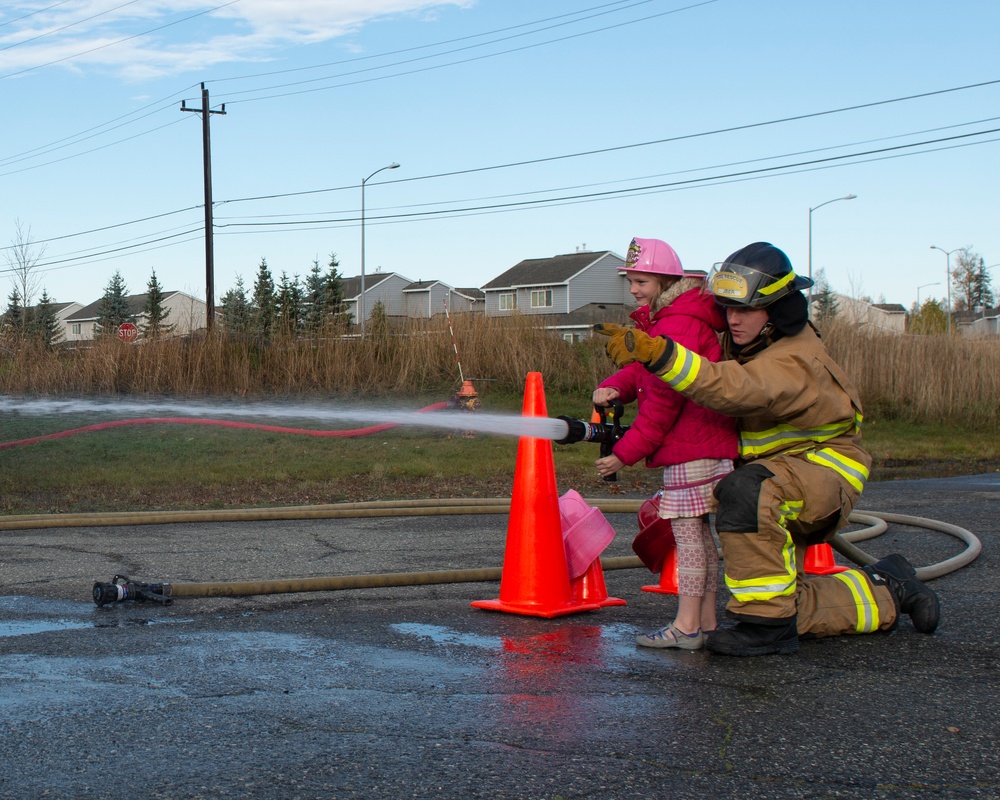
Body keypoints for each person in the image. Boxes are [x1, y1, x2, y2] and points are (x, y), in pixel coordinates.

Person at [596, 241, 940, 656]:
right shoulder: (751, 341)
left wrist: (662, 354)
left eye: (745, 310)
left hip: (821, 475)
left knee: (744, 492)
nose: (732, 320)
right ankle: (889, 586)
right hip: (783, 474)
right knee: (782, 606)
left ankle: (763, 629)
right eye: (728, 309)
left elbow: (734, 388)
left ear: (776, 310)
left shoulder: (795, 359)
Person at [593, 237, 738, 650]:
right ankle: (705, 620)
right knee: (702, 538)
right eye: (632, 282)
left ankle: (687, 627)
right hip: (707, 443)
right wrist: (613, 387)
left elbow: (660, 404)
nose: (634, 289)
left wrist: (622, 454)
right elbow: (644, 373)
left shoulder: (675, 325)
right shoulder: (676, 318)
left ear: (665, 279)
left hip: (691, 447)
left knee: (687, 538)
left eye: (641, 281)